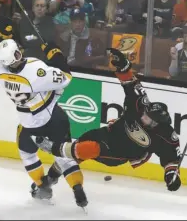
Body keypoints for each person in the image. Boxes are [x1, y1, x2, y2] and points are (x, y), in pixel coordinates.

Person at [35, 48, 182, 192]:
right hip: (109, 133)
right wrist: (123, 66)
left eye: (148, 119)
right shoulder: (140, 105)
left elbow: (171, 159)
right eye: (145, 113)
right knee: (75, 153)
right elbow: (131, 84)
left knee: (91, 148)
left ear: (156, 123)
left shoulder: (166, 136)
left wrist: (171, 176)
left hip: (120, 152)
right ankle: (49, 180)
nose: (143, 116)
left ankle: (52, 147)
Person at [0, 39, 88, 208]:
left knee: (27, 154)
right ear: (16, 55)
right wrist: (55, 54)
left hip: (30, 125)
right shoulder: (35, 74)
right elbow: (66, 76)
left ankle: (42, 186)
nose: (19, 51)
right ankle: (77, 186)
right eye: (17, 51)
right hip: (55, 118)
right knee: (63, 156)